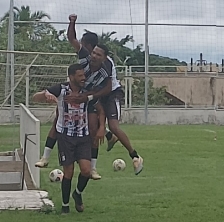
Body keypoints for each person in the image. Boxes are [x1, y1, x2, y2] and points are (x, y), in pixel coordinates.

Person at [65, 14, 143, 176]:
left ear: (104, 58)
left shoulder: (105, 68)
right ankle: (93, 167)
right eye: (93, 53)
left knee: (114, 126)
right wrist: (72, 22)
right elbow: (71, 38)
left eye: (98, 55)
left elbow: (107, 89)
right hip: (96, 94)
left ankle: (135, 156)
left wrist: (90, 97)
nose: (94, 56)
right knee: (93, 128)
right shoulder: (85, 57)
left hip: (110, 94)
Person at [33, 63, 106, 214]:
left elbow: (100, 110)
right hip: (65, 137)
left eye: (84, 76)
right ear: (71, 77)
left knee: (86, 171)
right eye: (80, 76)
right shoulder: (61, 89)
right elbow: (36, 97)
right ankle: (65, 206)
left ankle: (77, 194)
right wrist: (45, 95)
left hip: (83, 136)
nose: (83, 78)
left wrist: (101, 128)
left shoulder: (86, 93)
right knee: (69, 172)